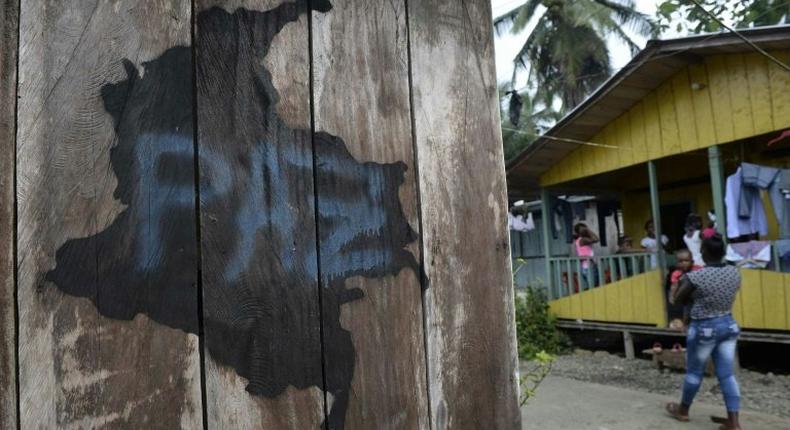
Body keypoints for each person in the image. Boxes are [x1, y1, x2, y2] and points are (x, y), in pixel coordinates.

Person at [666, 234, 742, 430]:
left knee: (694, 373)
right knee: (727, 375)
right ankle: (733, 422)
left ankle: (683, 411)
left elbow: (678, 300)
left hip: (704, 328)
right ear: (723, 253)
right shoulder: (734, 273)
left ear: (704, 253)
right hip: (728, 324)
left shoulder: (696, 276)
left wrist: (680, 284)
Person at [667, 249, 702, 331]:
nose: (683, 263)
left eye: (686, 261)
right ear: (677, 263)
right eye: (680, 261)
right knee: (687, 312)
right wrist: (671, 296)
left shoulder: (698, 269)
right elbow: (674, 285)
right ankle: (686, 326)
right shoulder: (677, 273)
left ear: (692, 261)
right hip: (687, 298)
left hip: (699, 297)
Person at [574, 223, 599, 289]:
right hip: (589, 267)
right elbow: (596, 239)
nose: (585, 230)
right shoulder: (583, 240)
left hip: (585, 267)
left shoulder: (578, 240)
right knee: (594, 288)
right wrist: (588, 230)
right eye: (583, 229)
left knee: (593, 286)